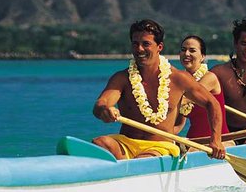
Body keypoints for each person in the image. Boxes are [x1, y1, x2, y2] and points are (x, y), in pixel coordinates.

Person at [92, 19, 226, 160]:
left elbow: (213, 103)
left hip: (160, 147)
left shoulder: (178, 79)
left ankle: (128, 169)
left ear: (159, 47)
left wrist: (216, 140)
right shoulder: (122, 78)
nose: (139, 49)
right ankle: (124, 169)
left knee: (144, 159)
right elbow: (101, 103)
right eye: (135, 44)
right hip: (127, 143)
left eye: (146, 44)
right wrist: (104, 110)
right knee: (100, 143)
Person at [174, 35, 234, 144]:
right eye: (183, 50)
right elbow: (178, 126)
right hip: (194, 141)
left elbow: (184, 100)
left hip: (220, 142)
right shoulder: (183, 83)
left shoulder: (210, 78)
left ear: (202, 56)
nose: (186, 53)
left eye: (192, 50)